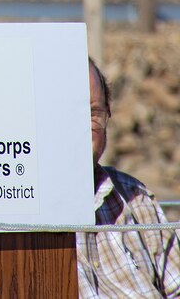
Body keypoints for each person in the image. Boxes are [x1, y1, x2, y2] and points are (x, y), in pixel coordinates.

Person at [77, 58, 180, 297]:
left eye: (93, 113)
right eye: (65, 115)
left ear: (108, 115)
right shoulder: (19, 208)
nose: (81, 125)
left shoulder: (135, 199)